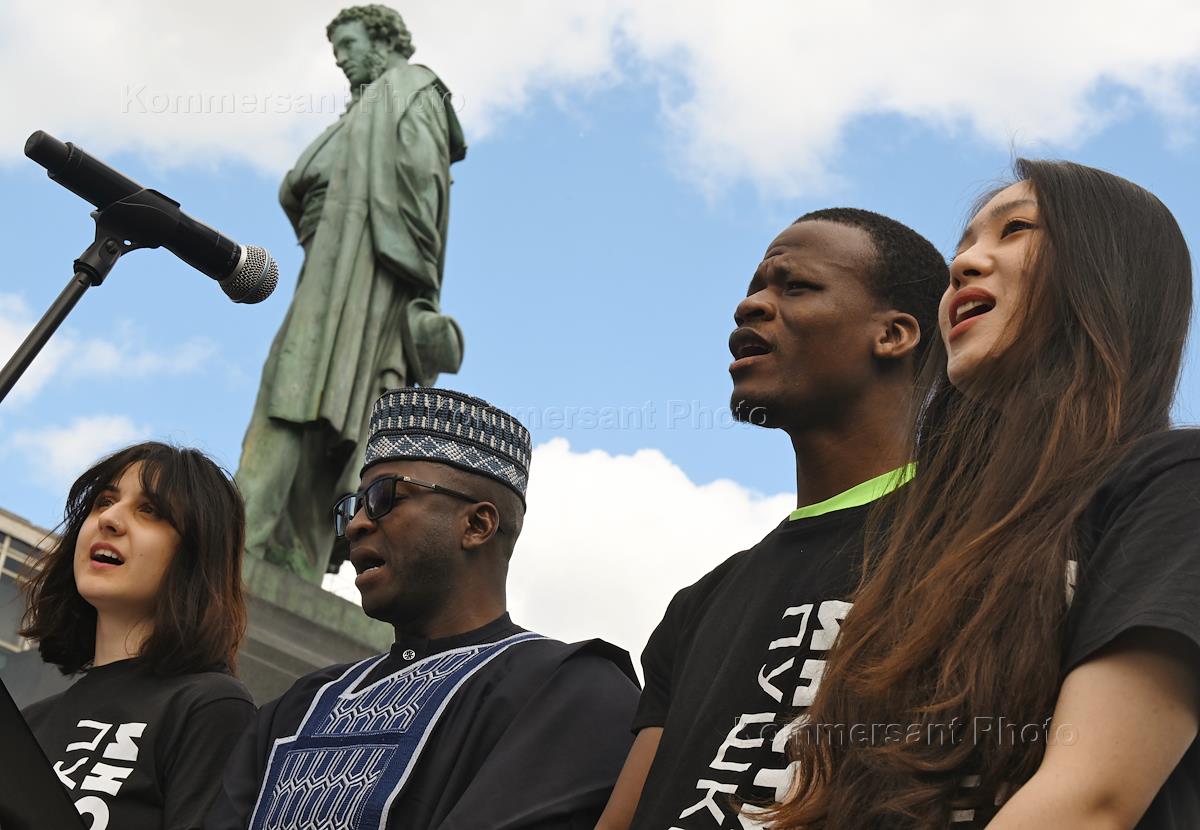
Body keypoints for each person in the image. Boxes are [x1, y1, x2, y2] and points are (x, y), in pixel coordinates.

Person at [767, 161, 1200, 829]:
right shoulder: (919, 547)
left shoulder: (1174, 482)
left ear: (1110, 269)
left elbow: (1094, 801)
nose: (964, 264)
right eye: (963, 246)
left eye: (1015, 229)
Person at [597, 210, 949, 829]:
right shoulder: (700, 603)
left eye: (796, 287)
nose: (750, 305)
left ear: (893, 335)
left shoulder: (974, 544)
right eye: (755, 287)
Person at [206, 387, 640, 829]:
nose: (356, 525)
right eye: (355, 506)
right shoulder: (300, 705)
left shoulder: (574, 689)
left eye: (385, 497)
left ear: (477, 525)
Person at [236, 4, 468, 581]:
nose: (341, 59)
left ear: (383, 41)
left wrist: (409, 279)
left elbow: (422, 186)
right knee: (304, 400)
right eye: (337, 49)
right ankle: (276, 552)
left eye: (349, 45)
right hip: (330, 265)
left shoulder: (409, 90)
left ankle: (243, 541)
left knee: (295, 396)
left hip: (367, 274)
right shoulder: (363, 107)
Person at [20, 442, 254, 830]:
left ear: (196, 552)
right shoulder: (28, 725)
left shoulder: (210, 708)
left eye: (150, 510)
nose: (109, 519)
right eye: (103, 502)